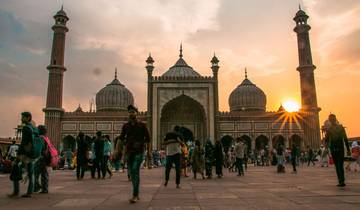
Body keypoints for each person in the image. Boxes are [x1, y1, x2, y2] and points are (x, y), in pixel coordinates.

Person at [120, 105, 150, 203]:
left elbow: (148, 139)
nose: (131, 113)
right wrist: (118, 152)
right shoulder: (125, 126)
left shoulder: (142, 125)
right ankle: (136, 193)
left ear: (136, 113)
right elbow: (121, 139)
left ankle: (135, 195)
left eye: (133, 111)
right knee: (133, 174)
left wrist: (149, 152)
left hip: (139, 152)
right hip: (129, 152)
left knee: (134, 170)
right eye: (130, 112)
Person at [8, 112, 39, 198]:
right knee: (30, 173)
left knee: (15, 169)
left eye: (23, 117)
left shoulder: (26, 128)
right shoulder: (34, 128)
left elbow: (24, 142)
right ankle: (29, 192)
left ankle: (16, 191)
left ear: (28, 117)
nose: (21, 119)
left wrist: (19, 155)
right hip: (32, 153)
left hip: (24, 154)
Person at [324, 114, 350, 187]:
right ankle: (342, 181)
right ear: (335, 119)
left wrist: (326, 148)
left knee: (337, 165)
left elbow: (326, 140)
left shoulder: (329, 129)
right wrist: (348, 149)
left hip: (334, 149)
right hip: (340, 149)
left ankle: (340, 181)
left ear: (329, 121)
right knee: (340, 165)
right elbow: (345, 139)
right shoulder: (340, 128)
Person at [34, 125, 50, 194]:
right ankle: (45, 189)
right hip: (45, 158)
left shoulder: (40, 138)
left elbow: (38, 149)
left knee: (35, 173)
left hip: (40, 158)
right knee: (44, 173)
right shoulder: (46, 138)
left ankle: (37, 186)